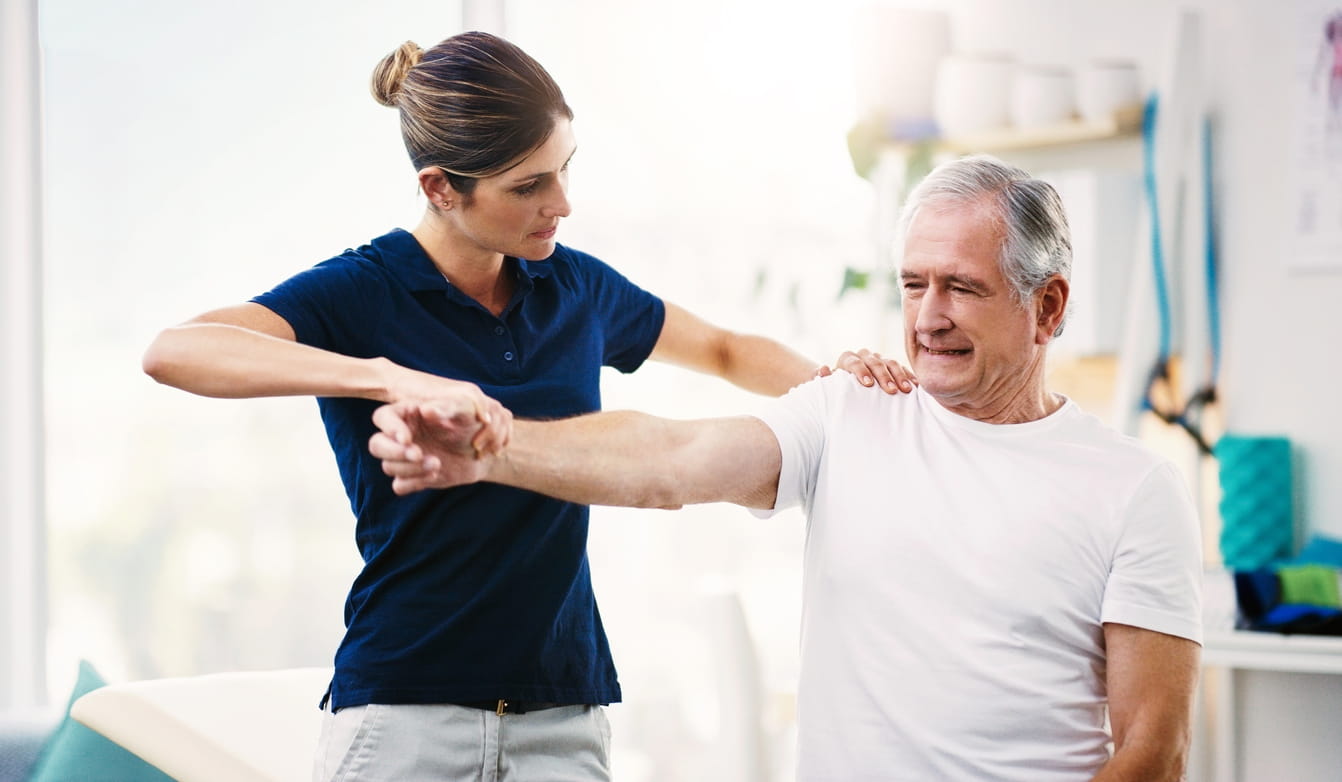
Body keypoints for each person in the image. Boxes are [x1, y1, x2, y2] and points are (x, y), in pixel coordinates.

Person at [140, 30, 913, 782]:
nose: (562, 203)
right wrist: (385, 376)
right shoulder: (362, 290)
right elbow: (176, 350)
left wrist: (836, 385)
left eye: (564, 170)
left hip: (563, 712)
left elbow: (723, 349)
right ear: (441, 188)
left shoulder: (574, 287)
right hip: (405, 713)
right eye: (529, 186)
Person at [371, 154, 1205, 782]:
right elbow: (675, 459)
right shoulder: (849, 412)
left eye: (962, 288)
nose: (928, 317)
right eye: (913, 285)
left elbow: (1153, 749)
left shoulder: (1133, 488)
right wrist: (493, 451)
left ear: (1048, 306)